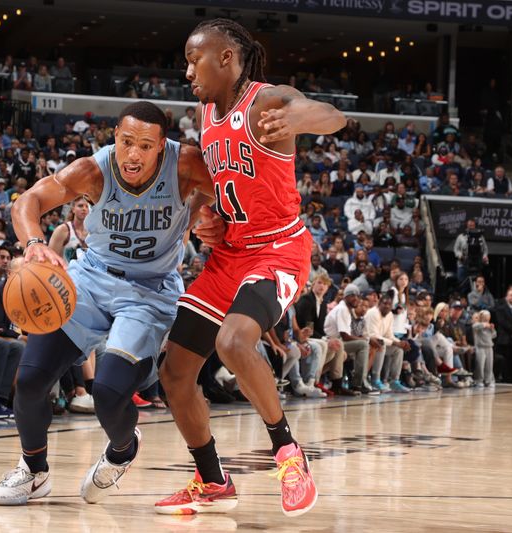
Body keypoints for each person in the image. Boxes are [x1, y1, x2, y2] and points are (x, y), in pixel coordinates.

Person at [156, 19, 345, 517]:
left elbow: (330, 114)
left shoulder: (265, 101)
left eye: (194, 58)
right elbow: (220, 186)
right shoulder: (204, 112)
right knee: (175, 373)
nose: (187, 68)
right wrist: (207, 215)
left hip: (278, 249)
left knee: (234, 341)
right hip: (230, 254)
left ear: (225, 58)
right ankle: (212, 479)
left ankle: (289, 453)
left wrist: (299, 120)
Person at [0, 101, 220, 506]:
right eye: (127, 142)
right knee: (29, 381)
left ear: (162, 146)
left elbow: (236, 190)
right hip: (91, 280)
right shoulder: (93, 169)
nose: (134, 154)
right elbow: (26, 203)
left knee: (109, 393)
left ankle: (122, 449)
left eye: (145, 146)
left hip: (149, 290)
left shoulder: (185, 164)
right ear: (115, 137)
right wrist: (34, 244)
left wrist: (214, 214)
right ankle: (34, 470)